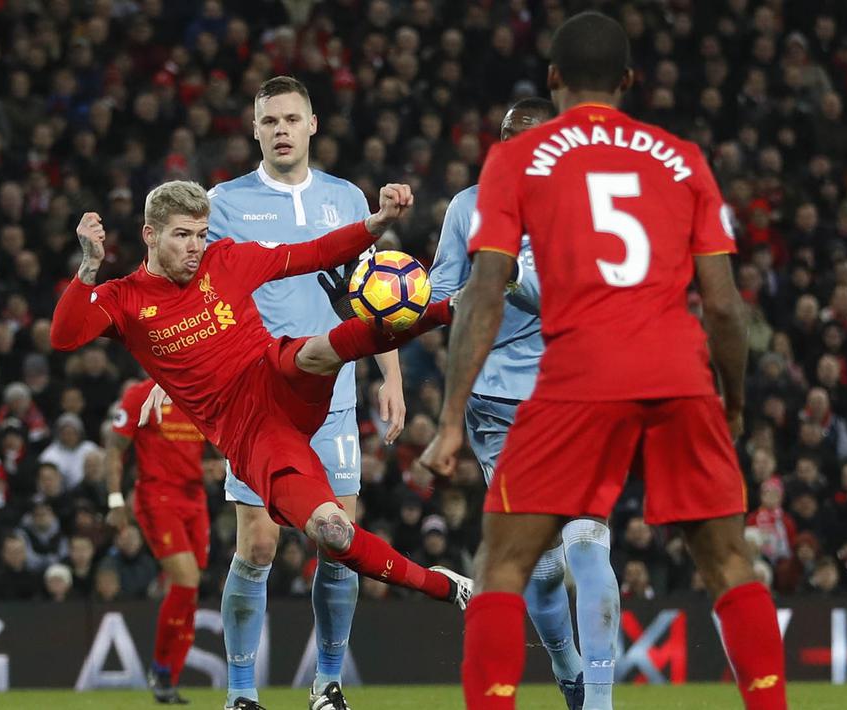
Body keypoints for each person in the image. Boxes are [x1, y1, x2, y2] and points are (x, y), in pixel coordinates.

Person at [420, 12, 787, 710]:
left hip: (578, 378)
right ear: (626, 81)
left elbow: (481, 296)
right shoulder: (681, 158)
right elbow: (723, 306)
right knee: (731, 565)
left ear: (553, 79)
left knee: (501, 565)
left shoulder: (517, 159)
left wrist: (445, 422)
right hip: (675, 374)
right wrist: (731, 402)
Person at [51, 180, 471, 710]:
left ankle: (446, 309)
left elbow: (315, 253)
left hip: (276, 374)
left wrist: (377, 222)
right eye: (182, 236)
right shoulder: (124, 300)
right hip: (253, 436)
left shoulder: (227, 260)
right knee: (333, 532)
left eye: (201, 234)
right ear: (149, 236)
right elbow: (65, 335)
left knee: (316, 352)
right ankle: (449, 587)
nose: (195, 247)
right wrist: (88, 267)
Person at [203, 75, 405, 710]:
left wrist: (392, 377)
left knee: (338, 539)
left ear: (313, 124)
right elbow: (191, 291)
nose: (282, 130)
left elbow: (379, 293)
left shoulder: (347, 199)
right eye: (270, 121)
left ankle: (328, 685)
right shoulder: (225, 202)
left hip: (334, 391)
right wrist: (166, 373)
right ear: (255, 129)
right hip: (257, 396)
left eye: (292, 118)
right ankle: (240, 693)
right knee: (258, 544)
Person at [429, 96, 619, 709]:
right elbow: (439, 293)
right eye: (507, 137)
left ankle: (601, 702)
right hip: (497, 404)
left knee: (589, 539)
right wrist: (391, 293)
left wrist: (504, 271)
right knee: (537, 566)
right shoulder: (467, 207)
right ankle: (567, 667)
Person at [106, 377, 207, 704]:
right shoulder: (139, 394)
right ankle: (161, 669)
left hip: (196, 498)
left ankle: (168, 677)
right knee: (186, 580)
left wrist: (219, 466)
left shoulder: (198, 391)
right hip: (157, 496)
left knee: (190, 588)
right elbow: (114, 447)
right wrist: (115, 500)